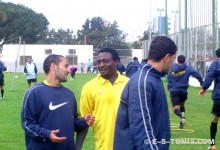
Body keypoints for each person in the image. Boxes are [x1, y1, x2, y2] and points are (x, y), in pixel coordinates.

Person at [114, 36, 177, 150]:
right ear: (167, 57)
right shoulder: (143, 81)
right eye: (174, 58)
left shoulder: (152, 78)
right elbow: (142, 130)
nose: (174, 62)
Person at [21, 54, 95, 150]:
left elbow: (72, 122)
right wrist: (47, 134)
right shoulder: (33, 92)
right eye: (66, 66)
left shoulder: (69, 94)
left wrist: (83, 121)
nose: (69, 70)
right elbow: (28, 124)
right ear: (53, 66)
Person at [77, 47, 129, 150]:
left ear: (116, 61)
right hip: (104, 146)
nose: (101, 65)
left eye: (105, 61)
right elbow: (85, 121)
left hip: (129, 144)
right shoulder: (89, 87)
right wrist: (77, 147)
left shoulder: (129, 84)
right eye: (99, 62)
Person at [167, 55, 203, 129]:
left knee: (176, 109)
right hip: (183, 91)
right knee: (182, 105)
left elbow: (168, 77)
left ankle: (181, 114)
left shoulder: (172, 67)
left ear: (177, 60)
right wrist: (202, 83)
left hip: (174, 90)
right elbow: (198, 75)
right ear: (185, 60)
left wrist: (170, 86)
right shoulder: (188, 68)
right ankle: (181, 123)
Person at [199, 48, 220, 150]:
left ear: (217, 55)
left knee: (215, 120)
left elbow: (210, 76)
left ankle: (212, 145)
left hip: (219, 97)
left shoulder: (216, 64)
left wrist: (204, 87)